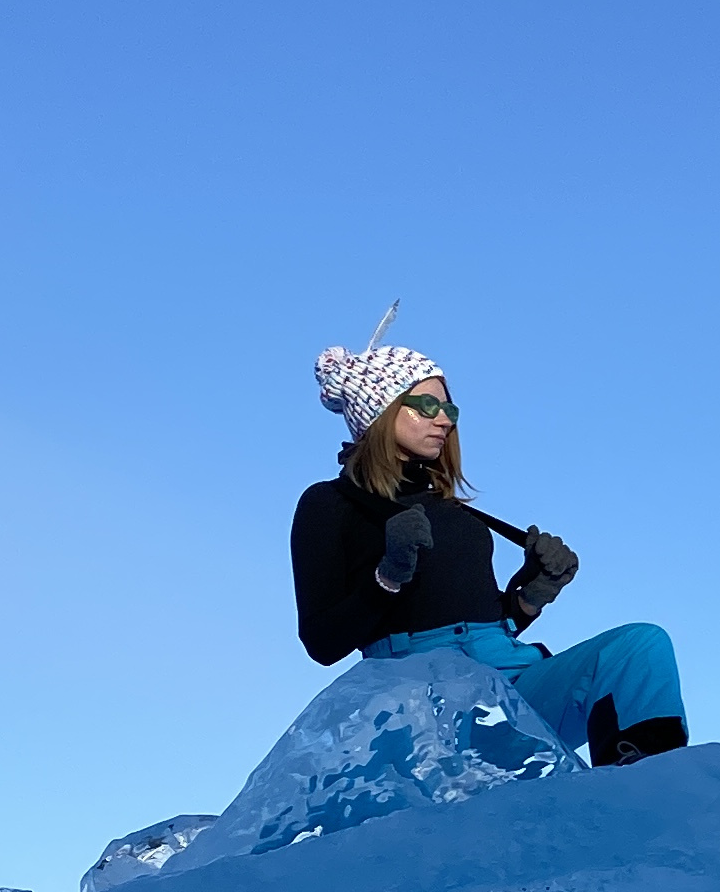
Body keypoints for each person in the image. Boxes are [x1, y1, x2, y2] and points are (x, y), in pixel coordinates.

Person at [293, 324, 689, 765]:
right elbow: (322, 643)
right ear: (382, 411)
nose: (444, 419)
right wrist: (389, 575)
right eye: (427, 405)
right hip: (420, 699)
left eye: (449, 408)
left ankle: (646, 793)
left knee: (640, 646)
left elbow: (477, 621)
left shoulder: (457, 513)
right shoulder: (329, 503)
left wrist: (532, 597)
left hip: (508, 680)